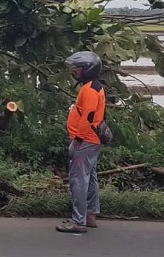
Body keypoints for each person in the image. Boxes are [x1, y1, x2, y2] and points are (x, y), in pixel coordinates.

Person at [56, 50, 107, 233]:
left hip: (85, 141)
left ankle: (78, 221)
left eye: (78, 67)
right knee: (90, 178)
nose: (75, 71)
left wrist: (77, 140)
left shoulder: (91, 90)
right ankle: (90, 215)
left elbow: (88, 116)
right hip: (91, 140)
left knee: (78, 180)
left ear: (88, 69)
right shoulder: (92, 86)